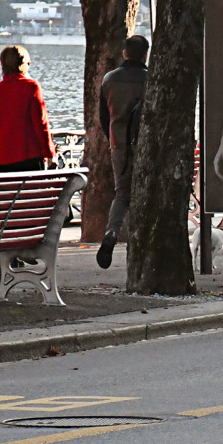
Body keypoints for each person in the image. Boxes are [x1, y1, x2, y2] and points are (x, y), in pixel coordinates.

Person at [96, 34, 149, 270]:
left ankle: (112, 231)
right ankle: (142, 239)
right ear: (145, 55)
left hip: (119, 145)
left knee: (122, 194)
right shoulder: (151, 79)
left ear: (125, 53)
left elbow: (103, 117)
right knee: (146, 194)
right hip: (146, 145)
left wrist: (113, 140)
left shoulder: (109, 79)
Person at [0, 45, 54, 173]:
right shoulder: (32, 87)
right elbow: (41, 124)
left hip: (3, 159)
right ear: (23, 64)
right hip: (30, 157)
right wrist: (50, 153)